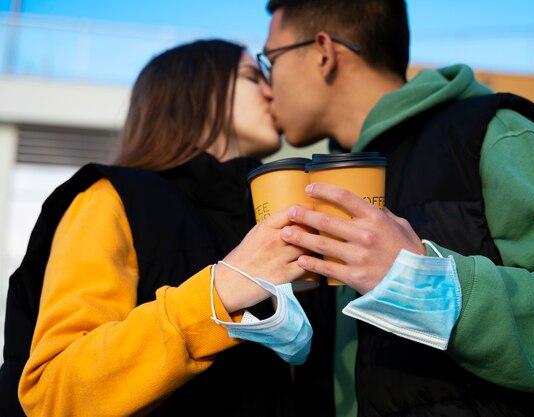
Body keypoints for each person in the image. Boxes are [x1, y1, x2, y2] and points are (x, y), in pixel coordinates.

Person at [257, 1, 534, 416]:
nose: (266, 86)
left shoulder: (496, 131)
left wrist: (427, 285)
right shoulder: (320, 185)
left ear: (323, 53)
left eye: (270, 59)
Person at [0, 39, 311, 416]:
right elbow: (53, 394)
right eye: (251, 76)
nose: (270, 89)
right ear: (195, 93)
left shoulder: (255, 221)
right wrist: (218, 293)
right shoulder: (108, 198)